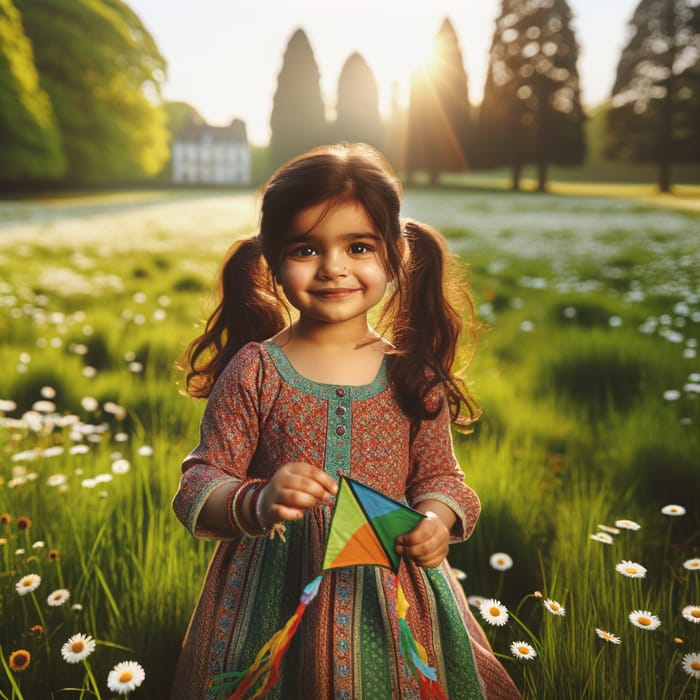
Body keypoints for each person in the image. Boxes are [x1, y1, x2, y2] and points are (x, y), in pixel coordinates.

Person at [171, 142, 521, 699]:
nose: (334, 267)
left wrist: (434, 521)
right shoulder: (257, 370)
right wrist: (259, 501)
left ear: (394, 255)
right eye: (306, 248)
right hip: (271, 600)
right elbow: (199, 484)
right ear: (271, 260)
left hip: (392, 595)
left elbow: (440, 479)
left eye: (358, 246)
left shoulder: (412, 373)